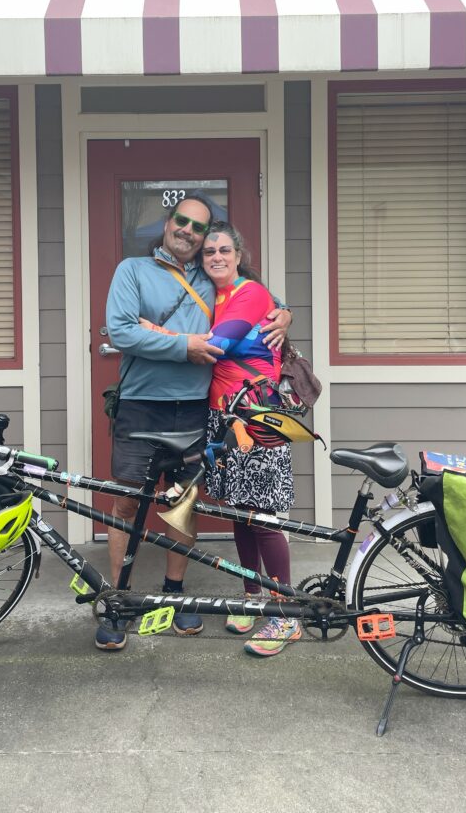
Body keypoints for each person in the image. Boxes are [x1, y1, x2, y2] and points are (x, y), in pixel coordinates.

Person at [99, 194, 291, 651]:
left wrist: (286, 314)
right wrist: (183, 345)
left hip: (195, 407)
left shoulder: (211, 274)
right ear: (168, 224)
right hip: (141, 404)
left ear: (208, 239)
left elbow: (264, 299)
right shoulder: (132, 270)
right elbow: (121, 331)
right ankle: (119, 599)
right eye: (181, 222)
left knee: (182, 503)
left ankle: (174, 592)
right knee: (128, 504)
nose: (188, 231)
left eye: (199, 228)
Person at [201, 220, 301, 658]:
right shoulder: (211, 295)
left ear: (239, 255)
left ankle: (286, 613)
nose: (217, 257)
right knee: (241, 513)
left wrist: (153, 330)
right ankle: (254, 595)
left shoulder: (251, 292)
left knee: (263, 516)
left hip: (258, 417)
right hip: (225, 417)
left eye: (224, 249)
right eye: (209, 252)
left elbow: (218, 344)